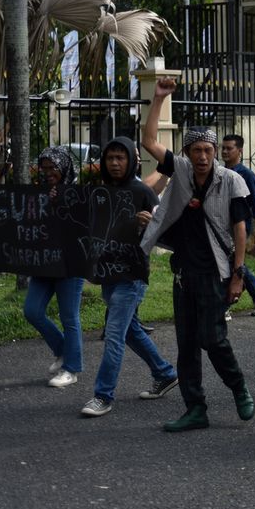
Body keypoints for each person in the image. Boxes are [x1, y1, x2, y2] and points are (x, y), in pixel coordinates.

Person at [140, 78, 255, 432]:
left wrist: (238, 274)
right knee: (186, 342)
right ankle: (195, 408)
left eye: (208, 150)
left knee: (212, 337)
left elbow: (240, 229)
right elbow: (149, 142)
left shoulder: (231, 181)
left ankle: (238, 388)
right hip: (183, 273)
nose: (202, 157)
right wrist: (159, 98)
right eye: (196, 151)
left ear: (216, 152)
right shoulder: (184, 171)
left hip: (216, 272)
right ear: (188, 154)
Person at [80, 137, 179, 417]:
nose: (114, 163)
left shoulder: (143, 192)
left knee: (114, 335)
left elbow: (165, 233)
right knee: (130, 330)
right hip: (107, 273)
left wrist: (148, 225)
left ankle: (103, 395)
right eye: (110, 157)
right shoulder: (99, 191)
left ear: (131, 161)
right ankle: (165, 373)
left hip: (132, 276)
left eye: (120, 158)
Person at [24, 147, 85, 388]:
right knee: (32, 310)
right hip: (44, 262)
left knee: (69, 316)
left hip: (70, 264)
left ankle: (71, 369)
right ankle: (63, 350)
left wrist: (59, 202)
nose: (48, 172)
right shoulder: (39, 193)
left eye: (53, 168)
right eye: (44, 168)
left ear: (65, 167)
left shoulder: (78, 193)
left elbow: (81, 226)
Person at [221, 134, 255, 317]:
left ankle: (226, 306)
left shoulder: (246, 174)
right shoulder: (220, 171)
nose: (224, 151)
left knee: (234, 263)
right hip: (223, 226)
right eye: (222, 148)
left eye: (229, 148)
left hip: (240, 226)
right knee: (233, 263)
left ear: (239, 151)